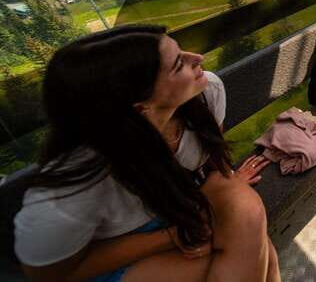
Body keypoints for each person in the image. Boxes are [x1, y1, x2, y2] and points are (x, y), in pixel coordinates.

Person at [14, 25, 280, 282]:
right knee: (259, 253)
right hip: (113, 251)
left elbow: (210, 158)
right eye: (178, 64)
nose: (197, 58)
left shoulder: (205, 92)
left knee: (250, 220)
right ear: (142, 108)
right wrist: (171, 236)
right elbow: (49, 274)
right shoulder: (72, 187)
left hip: (181, 207)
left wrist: (229, 182)